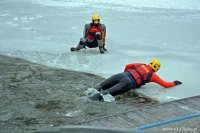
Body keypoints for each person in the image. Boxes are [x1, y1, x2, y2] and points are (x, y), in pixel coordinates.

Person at [89, 59, 182, 101]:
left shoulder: (141, 64)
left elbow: (128, 66)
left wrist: (125, 74)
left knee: (100, 86)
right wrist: (175, 83)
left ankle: (88, 94)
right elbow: (165, 84)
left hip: (121, 75)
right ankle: (89, 100)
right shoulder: (153, 75)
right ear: (157, 68)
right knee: (106, 94)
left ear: (150, 63)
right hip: (128, 83)